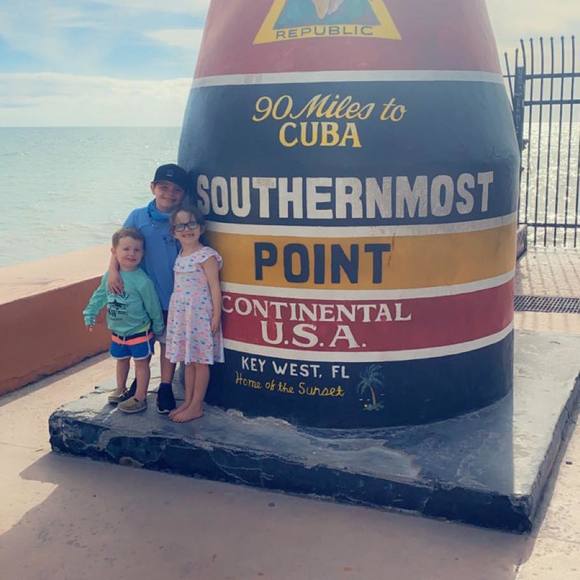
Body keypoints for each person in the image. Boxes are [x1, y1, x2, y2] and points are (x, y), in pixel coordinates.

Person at [108, 163, 189, 414]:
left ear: (183, 194)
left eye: (176, 189)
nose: (169, 193)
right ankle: (138, 384)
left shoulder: (182, 221)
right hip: (139, 297)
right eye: (163, 187)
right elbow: (119, 245)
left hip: (171, 296)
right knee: (141, 343)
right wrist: (113, 271)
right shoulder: (137, 216)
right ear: (153, 187)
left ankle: (165, 386)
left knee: (167, 342)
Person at [83, 228, 164, 413]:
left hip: (139, 331)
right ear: (114, 251)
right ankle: (121, 389)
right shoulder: (109, 277)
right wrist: (90, 313)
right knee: (121, 361)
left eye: (137, 250)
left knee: (141, 364)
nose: (131, 253)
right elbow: (100, 295)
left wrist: (158, 326)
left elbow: (152, 305)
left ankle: (140, 397)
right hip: (118, 332)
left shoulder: (143, 281)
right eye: (126, 249)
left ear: (143, 253)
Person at [165, 204, 224, 422]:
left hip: (199, 314)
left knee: (200, 361)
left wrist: (216, 315)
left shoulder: (206, 256)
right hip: (182, 316)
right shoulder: (180, 255)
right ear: (173, 232)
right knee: (188, 361)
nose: (186, 229)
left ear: (201, 227)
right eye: (180, 226)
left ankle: (197, 405)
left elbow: (215, 287)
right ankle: (188, 402)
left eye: (191, 224)